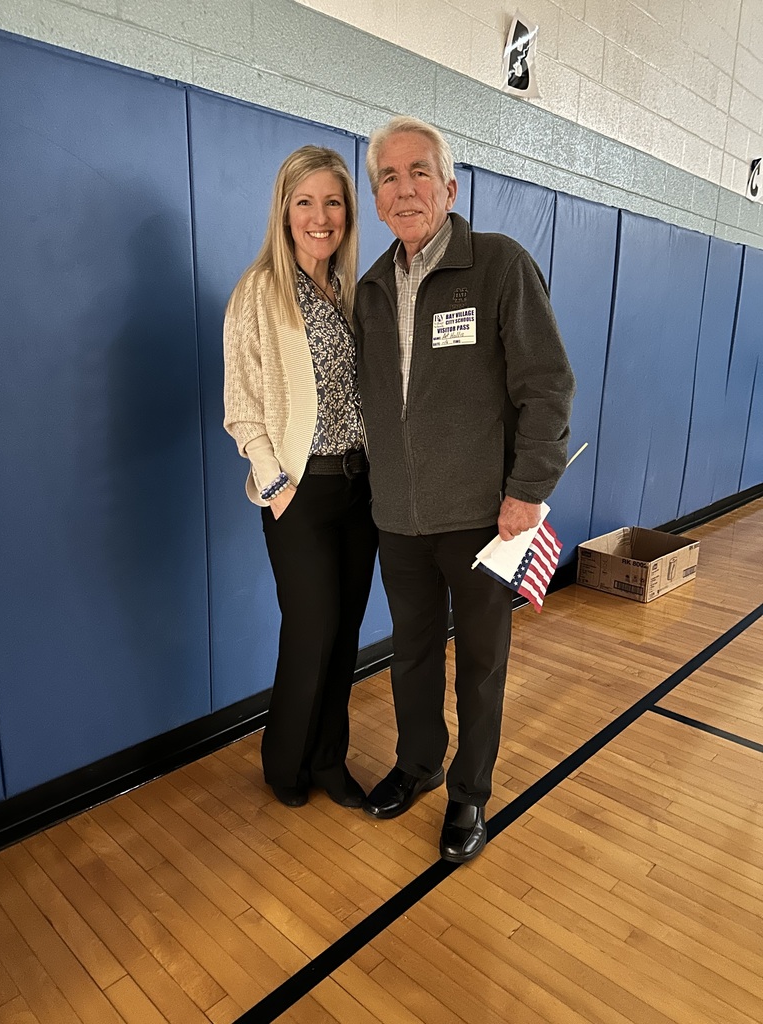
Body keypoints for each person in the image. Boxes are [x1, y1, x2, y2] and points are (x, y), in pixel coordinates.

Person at [355, 116, 575, 863]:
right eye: (388, 176)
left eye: (420, 173)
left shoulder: (498, 266)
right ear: (376, 196)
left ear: (449, 187)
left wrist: (528, 490)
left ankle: (469, 792)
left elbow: (547, 387)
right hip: (401, 519)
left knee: (480, 661)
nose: (404, 188)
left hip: (488, 517)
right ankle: (417, 765)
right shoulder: (374, 288)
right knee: (410, 654)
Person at [223, 146, 377, 809]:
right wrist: (276, 486)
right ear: (284, 212)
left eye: (333, 202)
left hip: (357, 487)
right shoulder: (260, 290)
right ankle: (284, 765)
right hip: (299, 491)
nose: (320, 216)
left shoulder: (345, 292)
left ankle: (328, 760)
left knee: (344, 631)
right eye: (305, 201)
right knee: (311, 627)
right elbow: (242, 406)